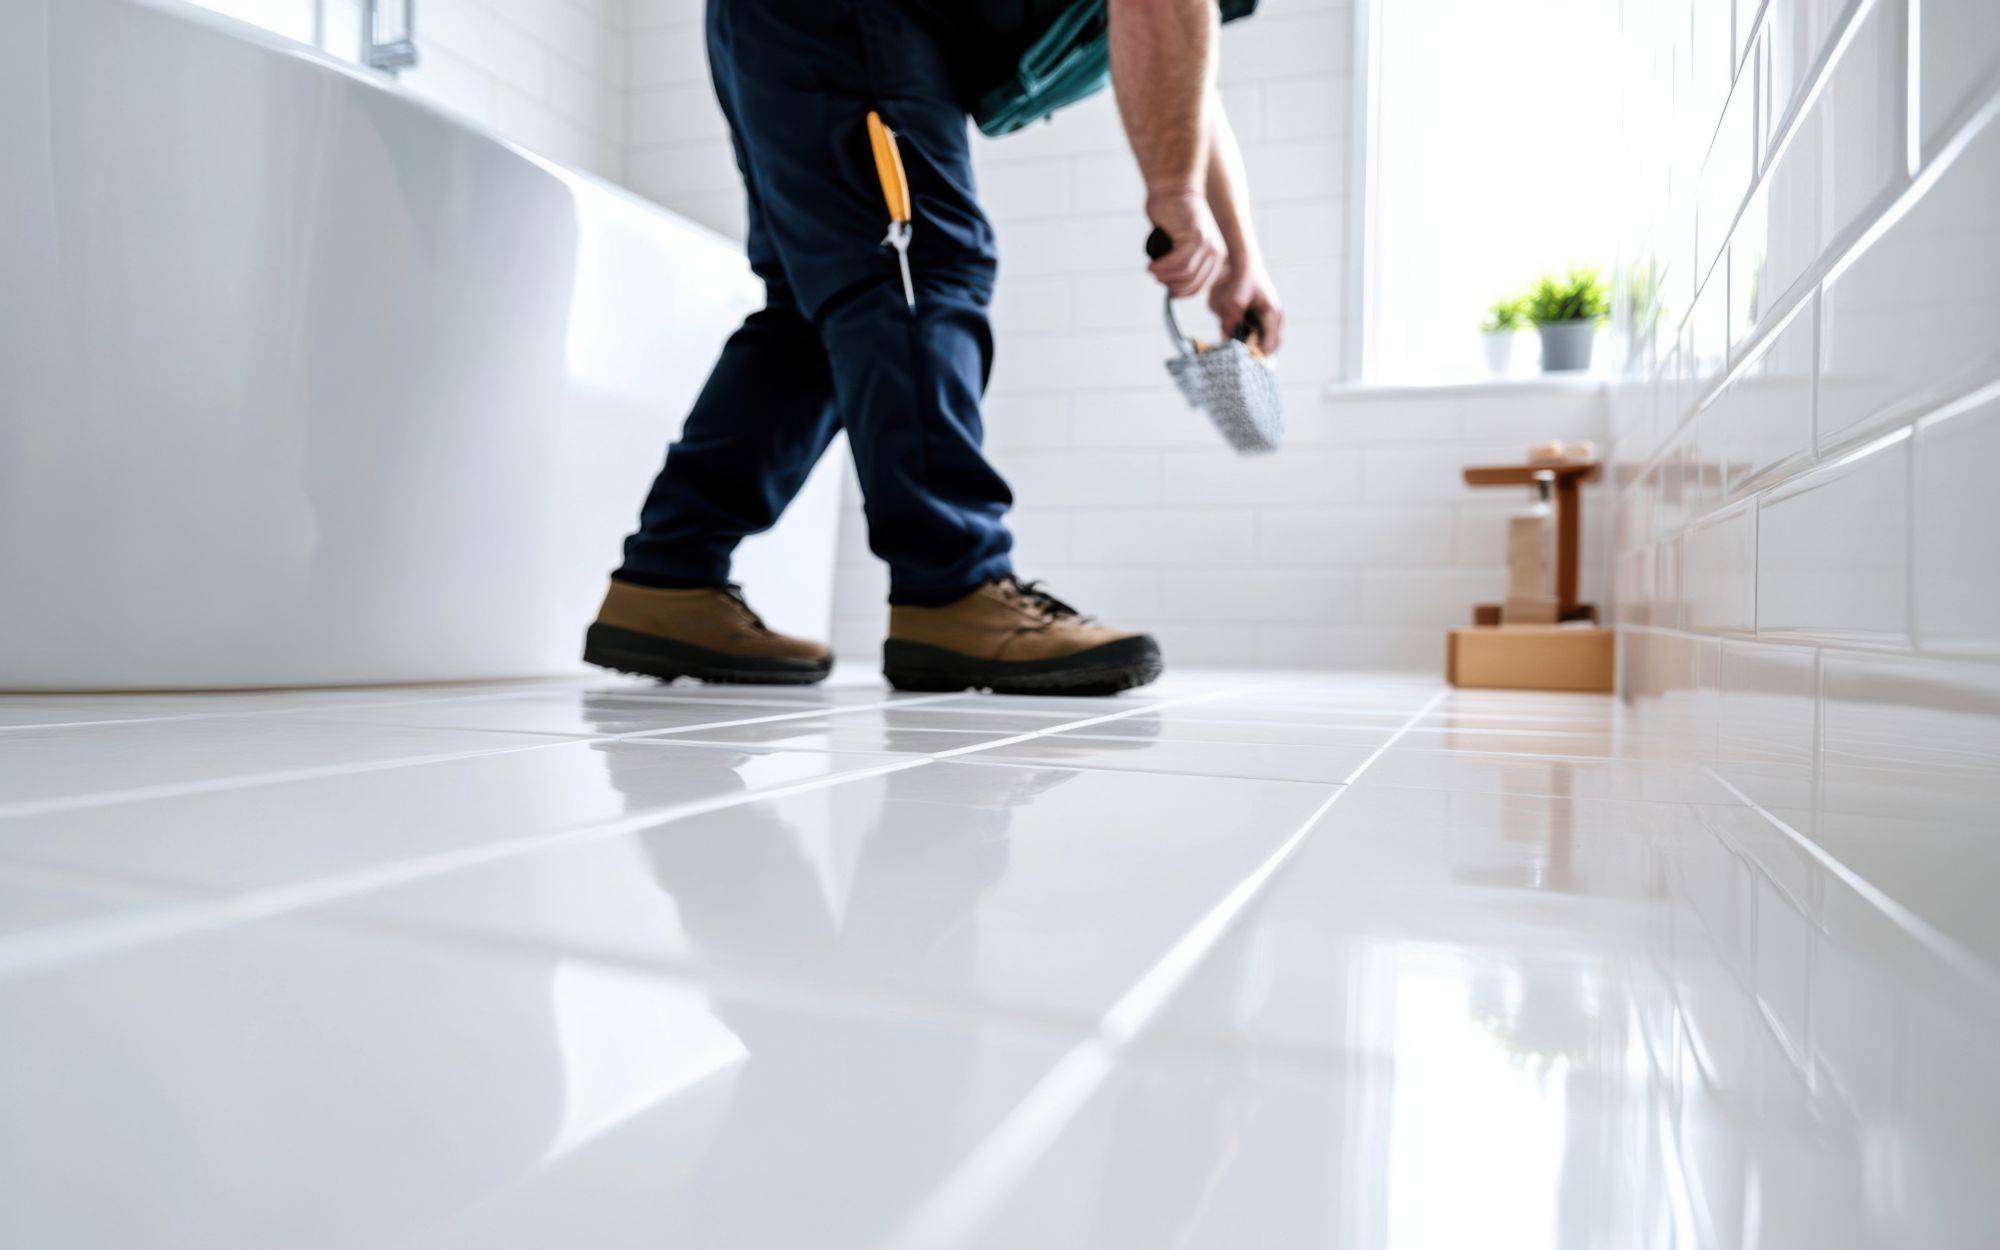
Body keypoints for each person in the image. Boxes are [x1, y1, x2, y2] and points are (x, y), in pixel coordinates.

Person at [584, 0, 1283, 696]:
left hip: (792, 26)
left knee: (816, 309)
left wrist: (1241, 253)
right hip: (851, 19)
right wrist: (1174, 191)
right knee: (919, 267)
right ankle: (952, 589)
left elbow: (1189, 70)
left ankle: (669, 582)